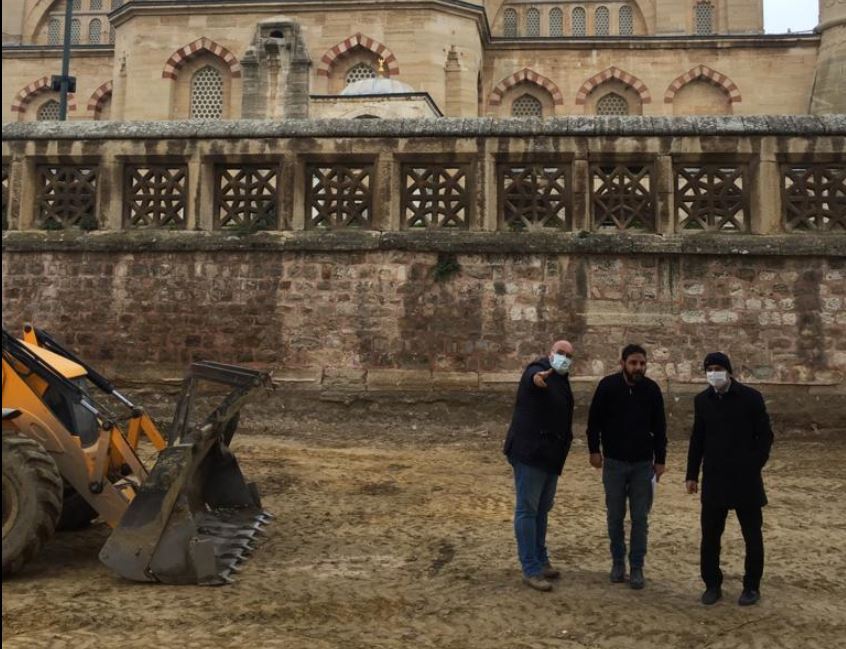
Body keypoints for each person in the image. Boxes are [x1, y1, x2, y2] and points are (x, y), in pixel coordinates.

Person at [685, 352, 774, 607]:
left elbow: (765, 436)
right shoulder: (702, 400)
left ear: (728, 370)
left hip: (746, 478)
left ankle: (751, 586)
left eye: (718, 368)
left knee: (752, 535)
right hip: (714, 478)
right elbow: (697, 439)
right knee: (710, 536)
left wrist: (754, 464)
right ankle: (712, 584)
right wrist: (692, 474)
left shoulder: (751, 398)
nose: (714, 373)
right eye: (709, 369)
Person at [586, 344, 667, 590]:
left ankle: (637, 566)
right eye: (633, 363)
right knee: (615, 516)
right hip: (614, 464)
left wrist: (660, 460)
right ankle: (618, 563)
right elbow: (594, 422)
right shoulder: (607, 387)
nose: (638, 367)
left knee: (640, 518)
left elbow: (660, 428)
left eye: (642, 363)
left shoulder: (652, 390)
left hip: (643, 465)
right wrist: (594, 451)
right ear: (622, 363)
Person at [503, 340, 575, 592]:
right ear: (550, 353)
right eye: (561, 353)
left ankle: (541, 560)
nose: (564, 358)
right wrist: (536, 379)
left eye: (569, 355)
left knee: (542, 509)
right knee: (528, 509)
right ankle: (530, 568)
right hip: (531, 453)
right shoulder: (539, 368)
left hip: (550, 457)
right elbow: (532, 378)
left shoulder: (563, 379)